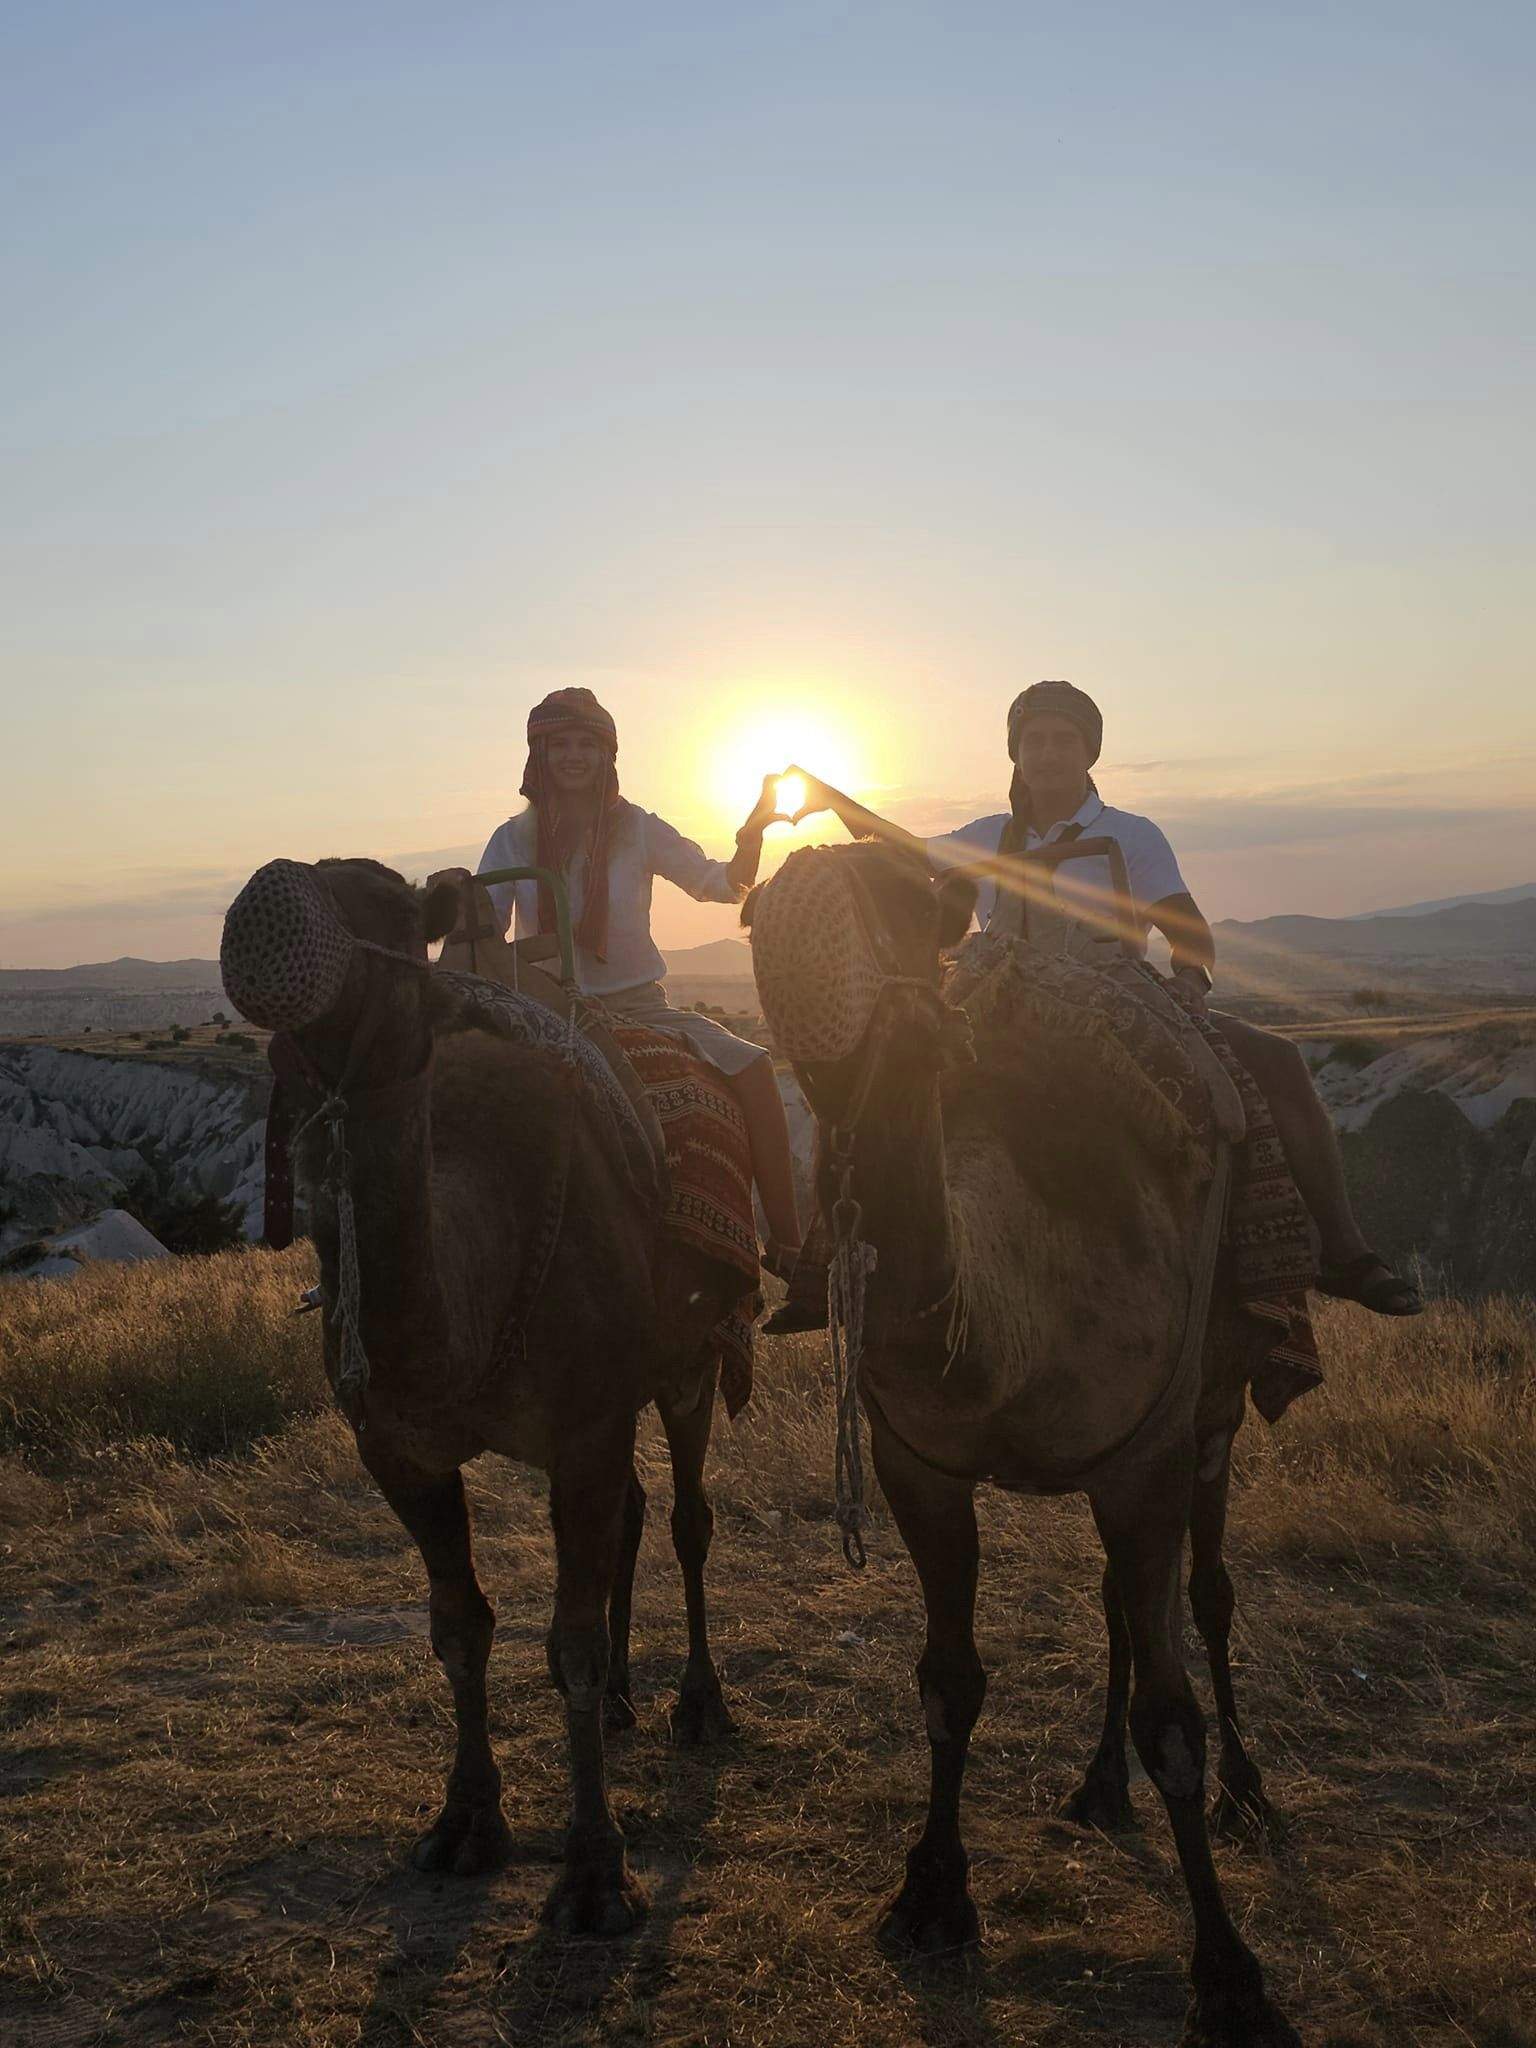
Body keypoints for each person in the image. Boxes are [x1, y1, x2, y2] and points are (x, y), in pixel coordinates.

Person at [779, 678, 1420, 1323]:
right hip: (995, 993)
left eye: (1065, 740)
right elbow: (906, 851)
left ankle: (1343, 1250)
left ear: (1090, 753)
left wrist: (1192, 982)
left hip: (1111, 992)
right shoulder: (990, 835)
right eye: (1035, 741)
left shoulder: (1131, 835)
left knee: (1275, 1063)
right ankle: (833, 1265)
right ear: (1015, 753)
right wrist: (833, 800)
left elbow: (1187, 930)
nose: (1049, 753)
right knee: (877, 1082)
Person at [477, 687, 802, 1276]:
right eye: (560, 746)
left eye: (587, 745)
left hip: (639, 1007)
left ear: (608, 756)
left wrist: (751, 837)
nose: (574, 757)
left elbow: (720, 885)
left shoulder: (639, 829)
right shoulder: (510, 839)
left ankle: (790, 1252)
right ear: (539, 756)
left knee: (754, 1069)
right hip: (546, 1010)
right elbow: (482, 930)